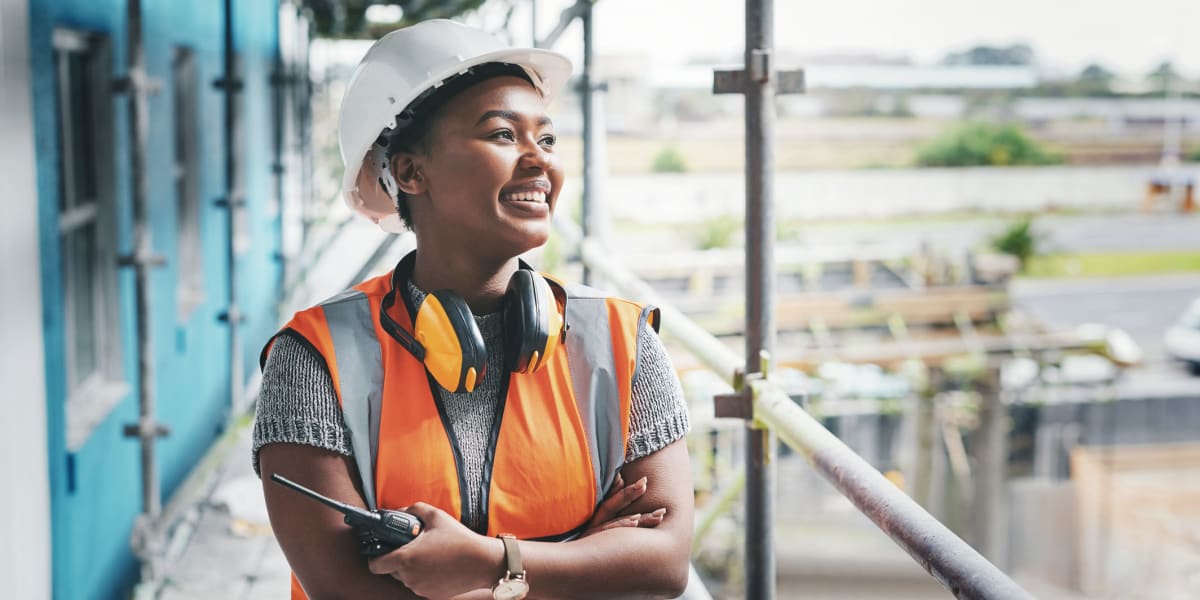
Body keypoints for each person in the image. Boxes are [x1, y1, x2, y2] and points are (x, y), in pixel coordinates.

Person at [253, 19, 694, 600]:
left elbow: (662, 565)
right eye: (503, 135)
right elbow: (347, 592)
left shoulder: (620, 339)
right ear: (412, 172)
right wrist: (580, 555)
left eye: (548, 138)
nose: (540, 161)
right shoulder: (314, 358)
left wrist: (488, 561)